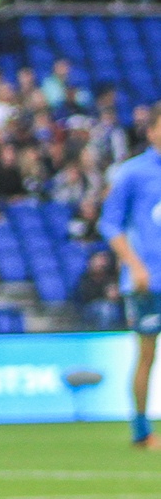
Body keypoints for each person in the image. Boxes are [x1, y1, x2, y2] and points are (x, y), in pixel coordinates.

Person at [98, 111, 161, 449]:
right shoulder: (134, 173)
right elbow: (110, 224)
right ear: (151, 131)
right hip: (147, 281)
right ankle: (141, 431)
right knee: (147, 354)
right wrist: (135, 266)